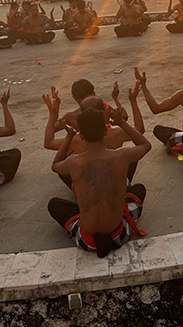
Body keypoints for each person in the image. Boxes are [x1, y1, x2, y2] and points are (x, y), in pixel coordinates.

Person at [47, 107, 151, 258]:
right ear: (105, 131)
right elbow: (145, 145)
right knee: (139, 189)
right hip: (119, 235)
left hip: (87, 241)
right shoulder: (121, 155)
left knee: (54, 204)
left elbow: (55, 165)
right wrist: (121, 123)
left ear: (81, 135)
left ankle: (90, 222)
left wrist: (69, 136)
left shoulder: (73, 162)